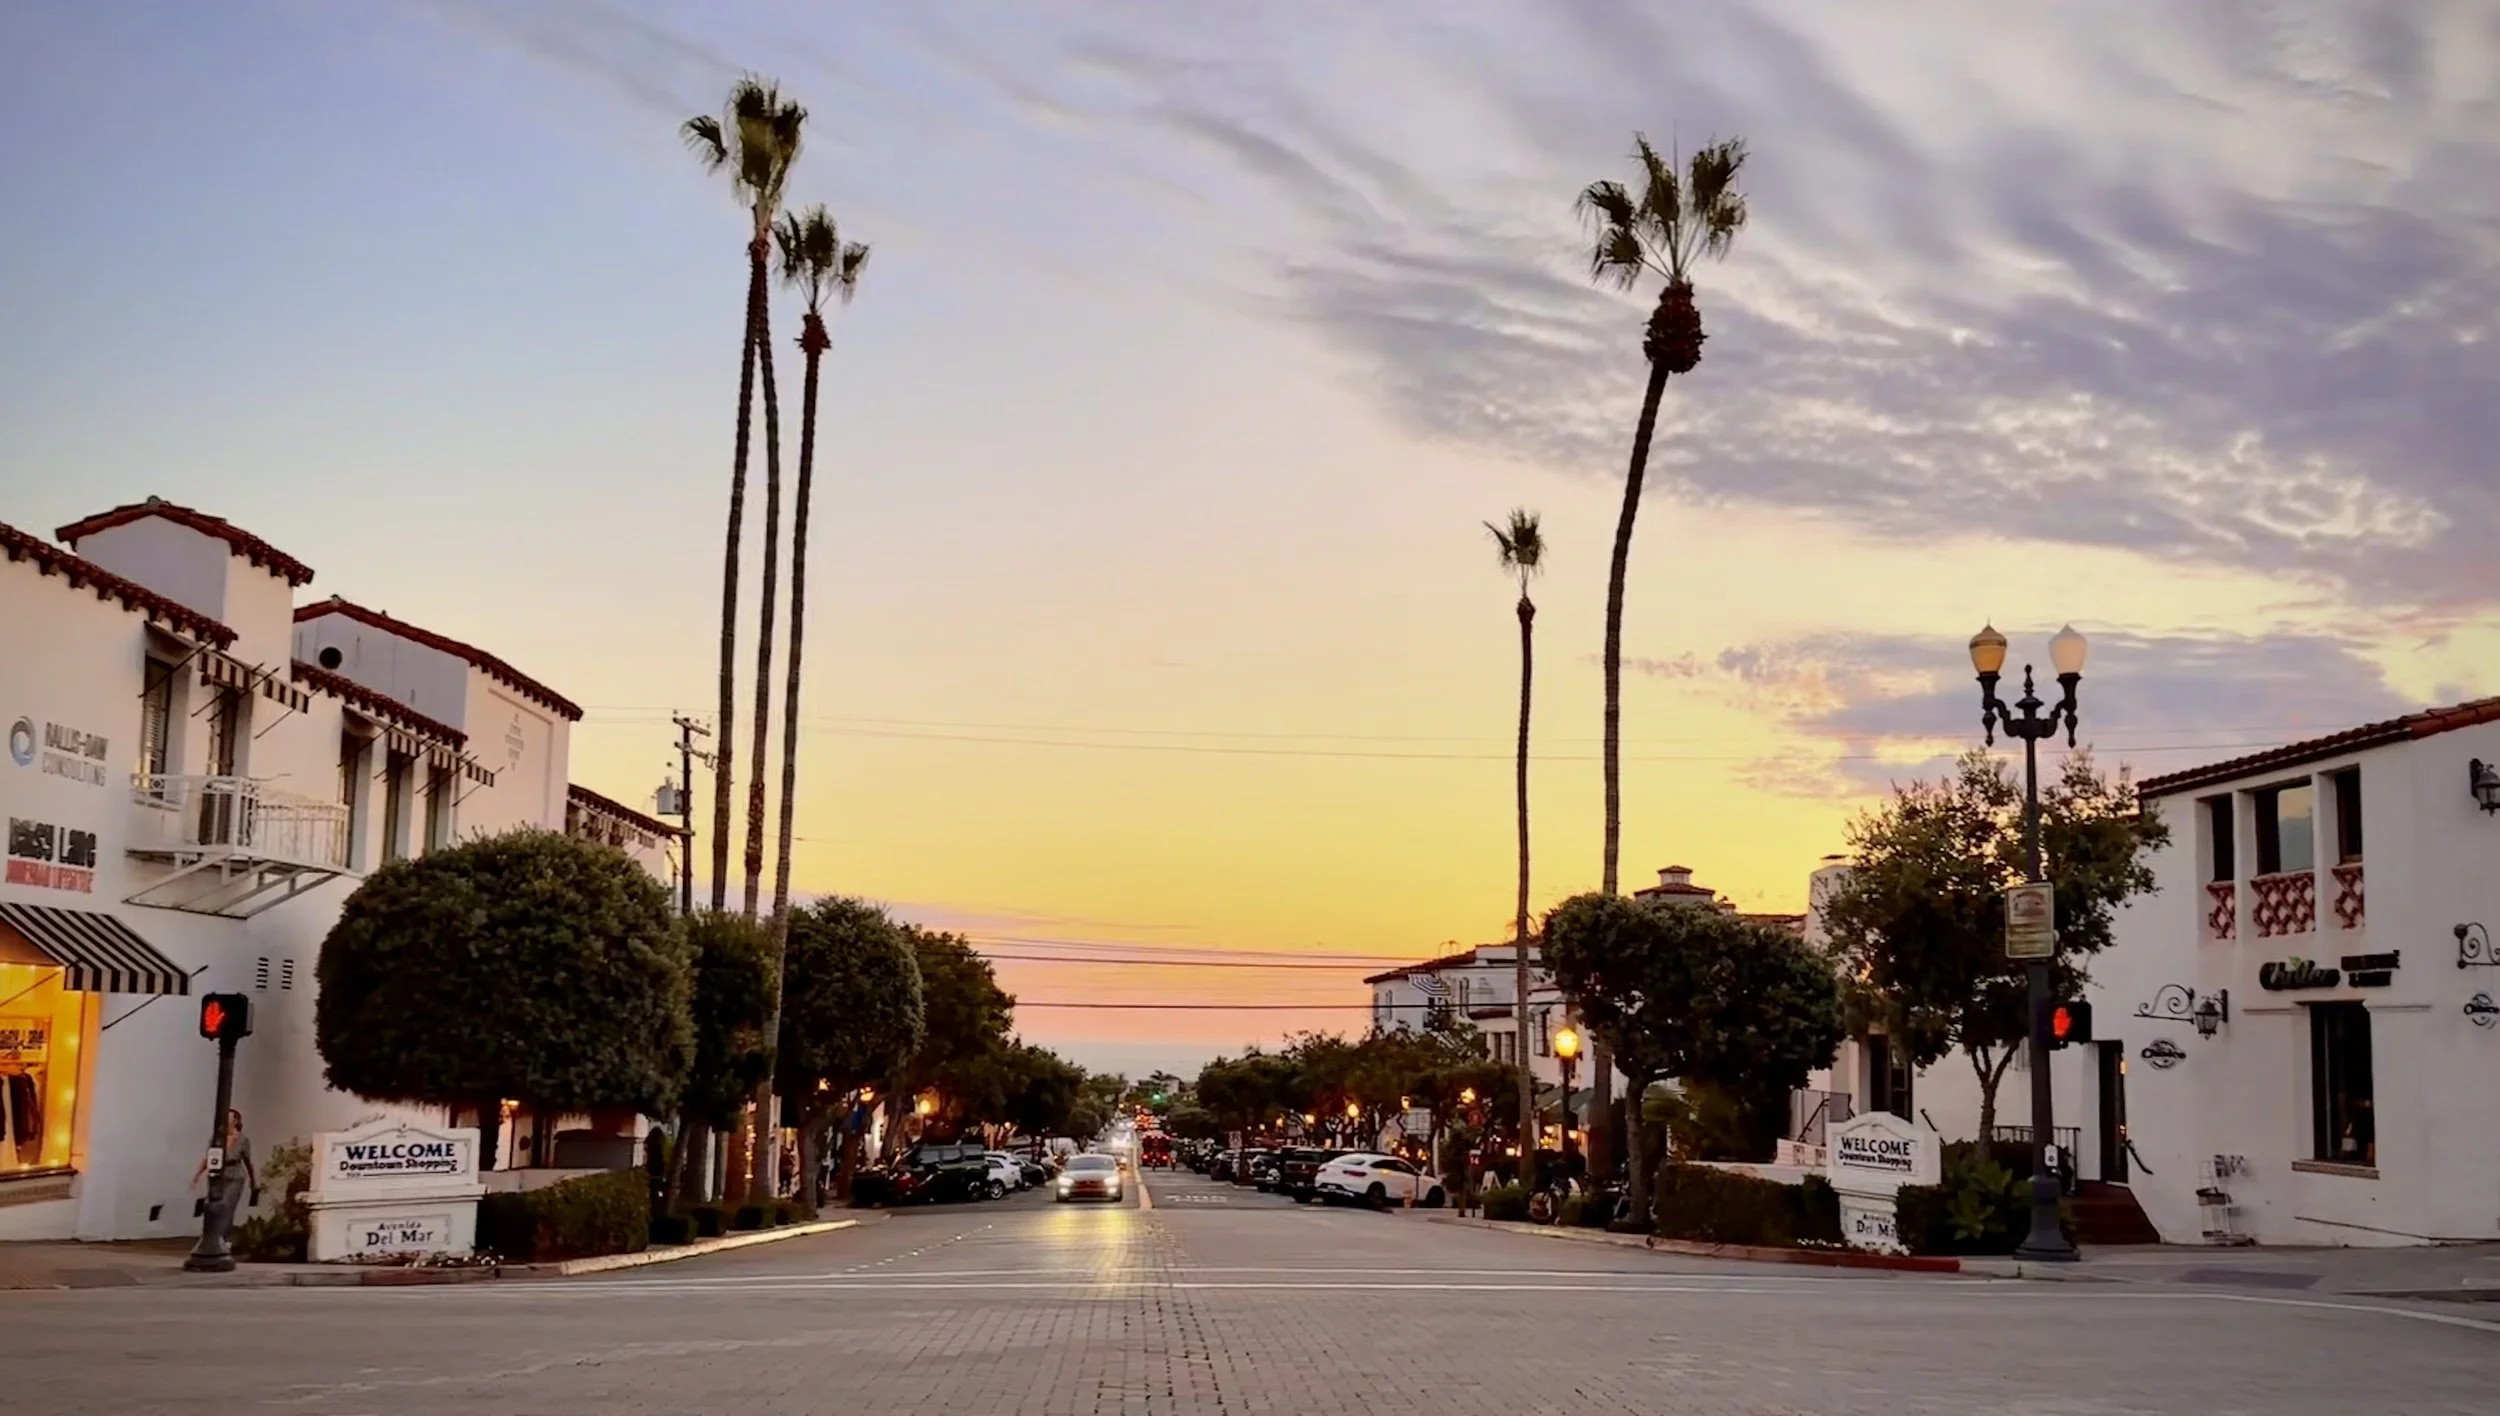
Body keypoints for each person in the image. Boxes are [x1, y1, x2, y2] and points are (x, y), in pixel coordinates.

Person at [191, 1108, 259, 1226]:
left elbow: (247, 1161)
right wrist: (197, 1175)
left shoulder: (243, 1139)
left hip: (235, 1176)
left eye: (229, 1117)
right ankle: (211, 1235)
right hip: (218, 1175)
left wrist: (253, 1181)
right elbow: (208, 1157)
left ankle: (224, 1237)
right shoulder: (217, 1137)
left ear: (236, 1121)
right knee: (214, 1206)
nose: (226, 1120)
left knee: (227, 1206)